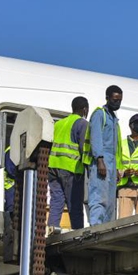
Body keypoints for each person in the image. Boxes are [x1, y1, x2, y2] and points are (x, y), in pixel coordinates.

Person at [47, 96, 90, 232]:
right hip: (71, 168)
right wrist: (90, 166)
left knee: (56, 200)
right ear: (85, 109)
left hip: (53, 166)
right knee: (75, 203)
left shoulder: (59, 123)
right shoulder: (82, 123)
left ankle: (52, 227)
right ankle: (77, 232)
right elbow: (85, 148)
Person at [86, 85, 123, 225]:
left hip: (112, 164)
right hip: (101, 161)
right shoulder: (99, 114)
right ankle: (96, 226)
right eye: (115, 100)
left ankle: (106, 227)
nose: (117, 103)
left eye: (120, 100)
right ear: (107, 98)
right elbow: (96, 138)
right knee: (99, 196)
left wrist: (118, 168)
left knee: (109, 200)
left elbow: (117, 148)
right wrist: (100, 159)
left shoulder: (114, 119)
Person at [3, 146, 16, 216]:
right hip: (9, 184)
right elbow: (10, 170)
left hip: (12, 184)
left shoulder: (12, 150)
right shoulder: (11, 151)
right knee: (11, 207)